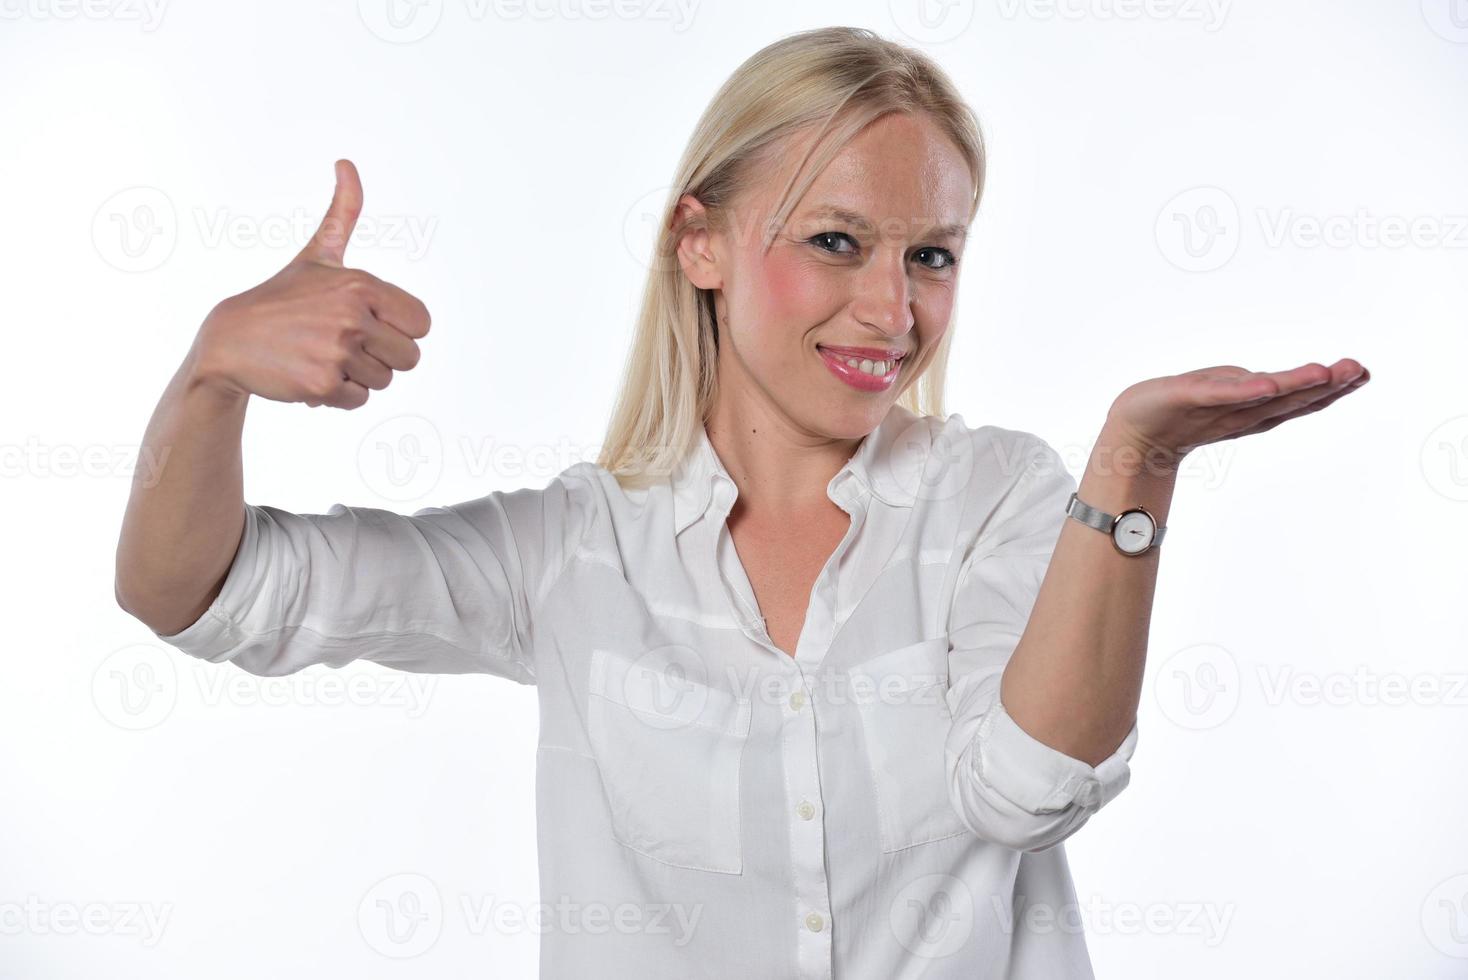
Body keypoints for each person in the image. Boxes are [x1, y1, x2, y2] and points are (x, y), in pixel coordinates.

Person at [113, 25, 1369, 979]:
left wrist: (1132, 474)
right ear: (698, 243)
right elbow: (199, 593)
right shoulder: (573, 550)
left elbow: (1028, 785)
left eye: (931, 253)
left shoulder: (997, 495)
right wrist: (210, 372)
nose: (894, 310)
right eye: (837, 241)